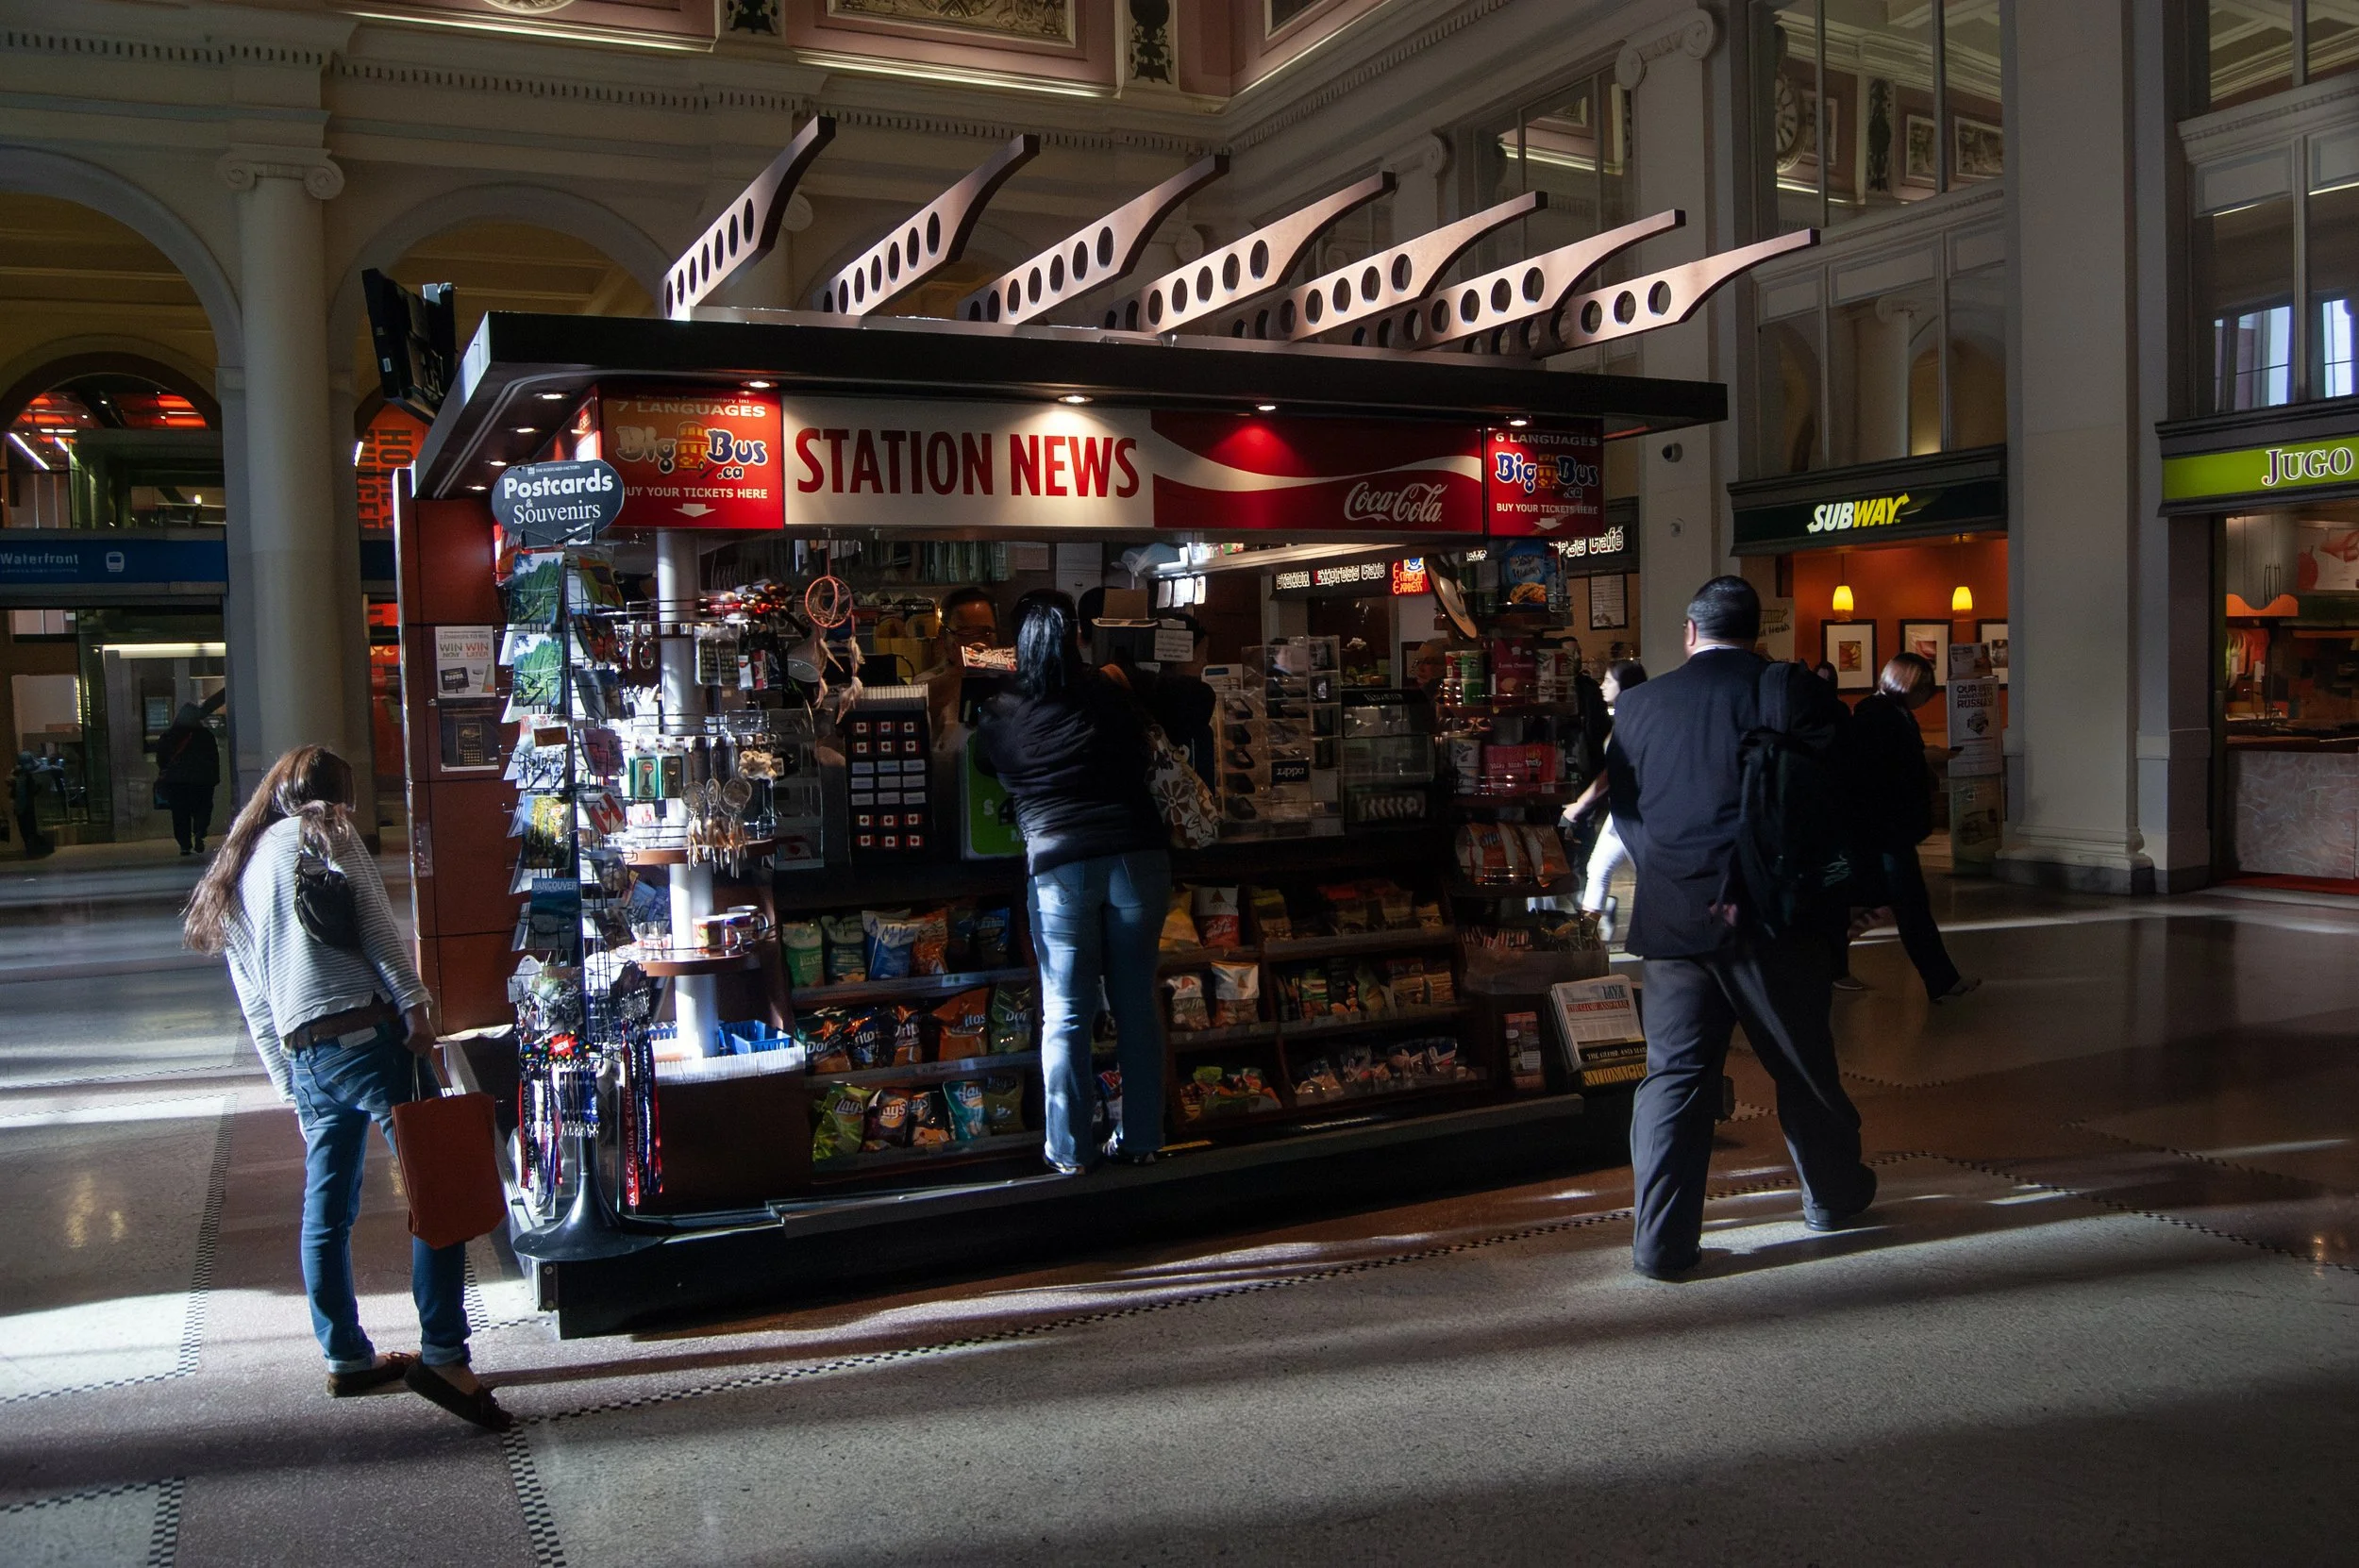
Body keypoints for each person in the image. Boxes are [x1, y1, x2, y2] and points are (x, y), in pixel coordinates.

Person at [182, 744, 510, 1430]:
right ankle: (444, 1356)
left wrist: (291, 1085)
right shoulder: (323, 828)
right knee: (439, 1187)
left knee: (326, 1210)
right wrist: (415, 1007)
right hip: (368, 1036)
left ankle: (346, 1356)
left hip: (306, 1056)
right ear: (334, 796)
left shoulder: (235, 871)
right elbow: (375, 926)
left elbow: (256, 1002)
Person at [1605, 576, 1880, 1279]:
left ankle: (1661, 1244)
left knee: (1674, 1078)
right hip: (1774, 919)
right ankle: (1832, 1195)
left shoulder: (1639, 704)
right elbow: (1846, 799)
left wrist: (1671, 873)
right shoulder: (1790, 692)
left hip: (1673, 920)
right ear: (1757, 634)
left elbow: (1627, 811)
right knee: (1801, 1062)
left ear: (1690, 631)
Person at [972, 592, 1170, 1174]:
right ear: (1078, 636)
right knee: (1137, 1003)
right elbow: (1195, 700)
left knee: (1066, 1012)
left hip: (1061, 869)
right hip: (1138, 857)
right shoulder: (1112, 690)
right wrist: (1127, 676)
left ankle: (1069, 1150)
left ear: (1016, 648)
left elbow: (984, 763)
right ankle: (1143, 1138)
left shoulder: (1000, 712)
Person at [1836, 653, 1980, 1002]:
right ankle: (1941, 981)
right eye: (1925, 689)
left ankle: (1830, 965)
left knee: (1880, 904)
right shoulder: (1876, 715)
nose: (1927, 697)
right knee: (1908, 905)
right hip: (1885, 831)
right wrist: (1926, 758)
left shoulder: (1891, 712)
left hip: (1888, 830)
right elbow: (1882, 770)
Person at [1561, 659, 1647, 944]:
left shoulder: (1632, 721)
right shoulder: (1630, 717)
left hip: (1636, 812)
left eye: (1608, 681)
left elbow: (1612, 773)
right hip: (1626, 810)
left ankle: (1593, 936)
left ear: (1625, 686)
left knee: (1613, 870)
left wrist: (1580, 804)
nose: (1601, 686)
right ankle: (1586, 937)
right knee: (1599, 868)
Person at [153, 704, 222, 855]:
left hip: (177, 782)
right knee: (202, 808)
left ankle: (184, 844)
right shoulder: (206, 736)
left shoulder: (170, 735)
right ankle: (200, 831)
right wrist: (214, 778)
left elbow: (161, 758)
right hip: (202, 781)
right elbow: (213, 758)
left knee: (180, 813)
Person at [10, 750, 54, 859]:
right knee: (31, 829)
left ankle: (30, 849)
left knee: (25, 830)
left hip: (21, 808)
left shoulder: (17, 777)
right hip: (29, 807)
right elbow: (33, 790)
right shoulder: (27, 776)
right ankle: (34, 849)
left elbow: (14, 793)